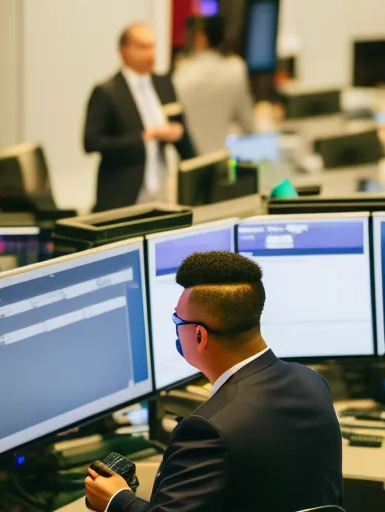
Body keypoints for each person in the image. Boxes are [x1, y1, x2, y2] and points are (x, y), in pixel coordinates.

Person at [85, 251, 343, 511]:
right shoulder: (312, 382)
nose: (175, 327)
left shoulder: (207, 429)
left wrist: (116, 499)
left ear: (200, 335)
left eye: (178, 320)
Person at [83, 24, 196, 212]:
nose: (150, 54)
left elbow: (182, 135)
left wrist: (196, 169)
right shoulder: (107, 92)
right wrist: (144, 137)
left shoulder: (163, 84)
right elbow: (91, 142)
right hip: (123, 192)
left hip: (160, 190)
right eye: (143, 47)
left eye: (152, 47)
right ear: (124, 51)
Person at [173, 16, 255, 155]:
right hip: (223, 158)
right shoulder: (235, 69)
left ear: (201, 38)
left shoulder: (182, 74)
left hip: (191, 160)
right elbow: (248, 125)